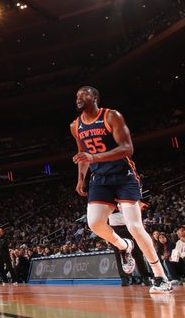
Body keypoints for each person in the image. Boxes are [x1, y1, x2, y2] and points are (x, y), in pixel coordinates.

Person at [71, 86, 172, 294]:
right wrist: (81, 178)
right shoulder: (75, 125)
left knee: (135, 226)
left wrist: (94, 158)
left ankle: (160, 276)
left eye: (84, 94)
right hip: (99, 178)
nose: (79, 98)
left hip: (123, 176)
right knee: (95, 223)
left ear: (95, 97)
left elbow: (127, 148)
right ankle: (124, 245)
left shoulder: (111, 116)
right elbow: (83, 154)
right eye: (77, 96)